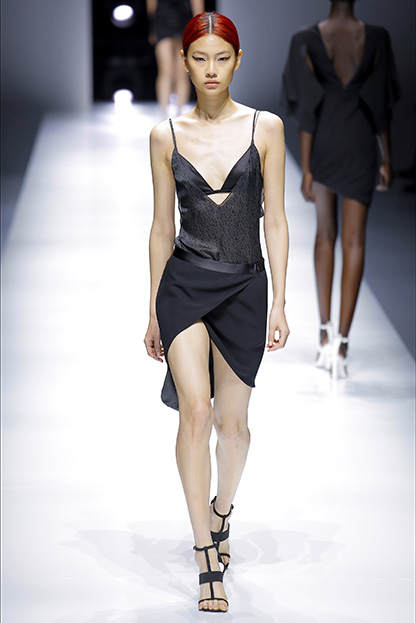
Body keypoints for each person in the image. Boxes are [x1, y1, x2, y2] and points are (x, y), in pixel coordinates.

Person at [144, 11, 289, 612]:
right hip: (184, 286)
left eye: (221, 58)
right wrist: (154, 310)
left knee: (233, 429)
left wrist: (281, 300)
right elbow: (161, 227)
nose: (210, 70)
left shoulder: (265, 128)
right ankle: (206, 551)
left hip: (244, 287)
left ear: (237, 60)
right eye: (200, 58)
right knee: (196, 414)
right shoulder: (166, 136)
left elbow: (275, 220)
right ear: (184, 61)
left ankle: (222, 509)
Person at [281, 0, 400, 378]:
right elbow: (381, 104)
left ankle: (324, 334)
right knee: (354, 241)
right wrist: (386, 157)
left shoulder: (306, 39)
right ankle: (342, 345)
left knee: (325, 236)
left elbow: (305, 109)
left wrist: (306, 166)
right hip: (360, 143)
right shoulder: (377, 38)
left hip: (325, 144)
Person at [146, 0, 205, 117]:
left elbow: (198, 6)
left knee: (180, 72)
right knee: (166, 70)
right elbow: (151, 6)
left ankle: (178, 113)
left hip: (182, 21)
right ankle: (165, 113)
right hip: (163, 20)